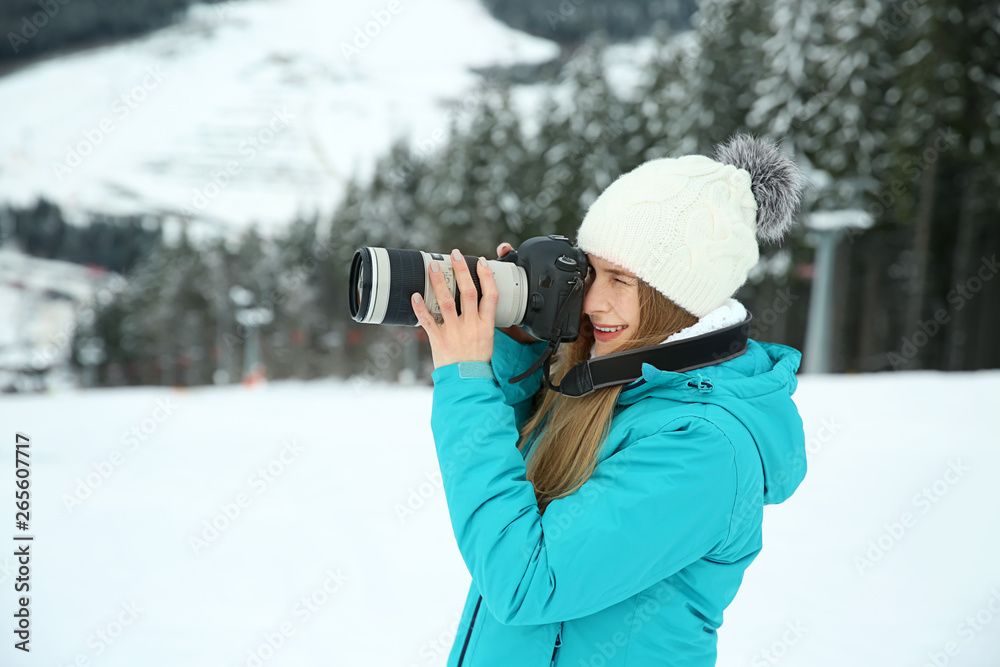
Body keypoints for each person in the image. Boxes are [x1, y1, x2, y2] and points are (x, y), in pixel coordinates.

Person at [409, 133, 808, 666]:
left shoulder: (706, 447)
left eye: (622, 279)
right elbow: (519, 476)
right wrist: (515, 341)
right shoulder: (615, 381)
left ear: (679, 298)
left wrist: (466, 378)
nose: (594, 301)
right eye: (591, 272)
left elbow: (527, 580)